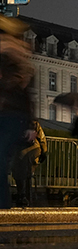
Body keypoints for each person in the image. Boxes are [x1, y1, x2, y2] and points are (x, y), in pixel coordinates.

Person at [0, 16, 37, 209]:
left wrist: (30, 124)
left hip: (11, 115)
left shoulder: (14, 56)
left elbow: (23, 91)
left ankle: (3, 206)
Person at [11, 119, 46, 207]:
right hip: (31, 149)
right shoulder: (32, 122)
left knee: (22, 171)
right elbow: (42, 138)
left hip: (25, 150)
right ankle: (25, 195)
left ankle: (23, 195)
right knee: (26, 172)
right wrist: (44, 151)